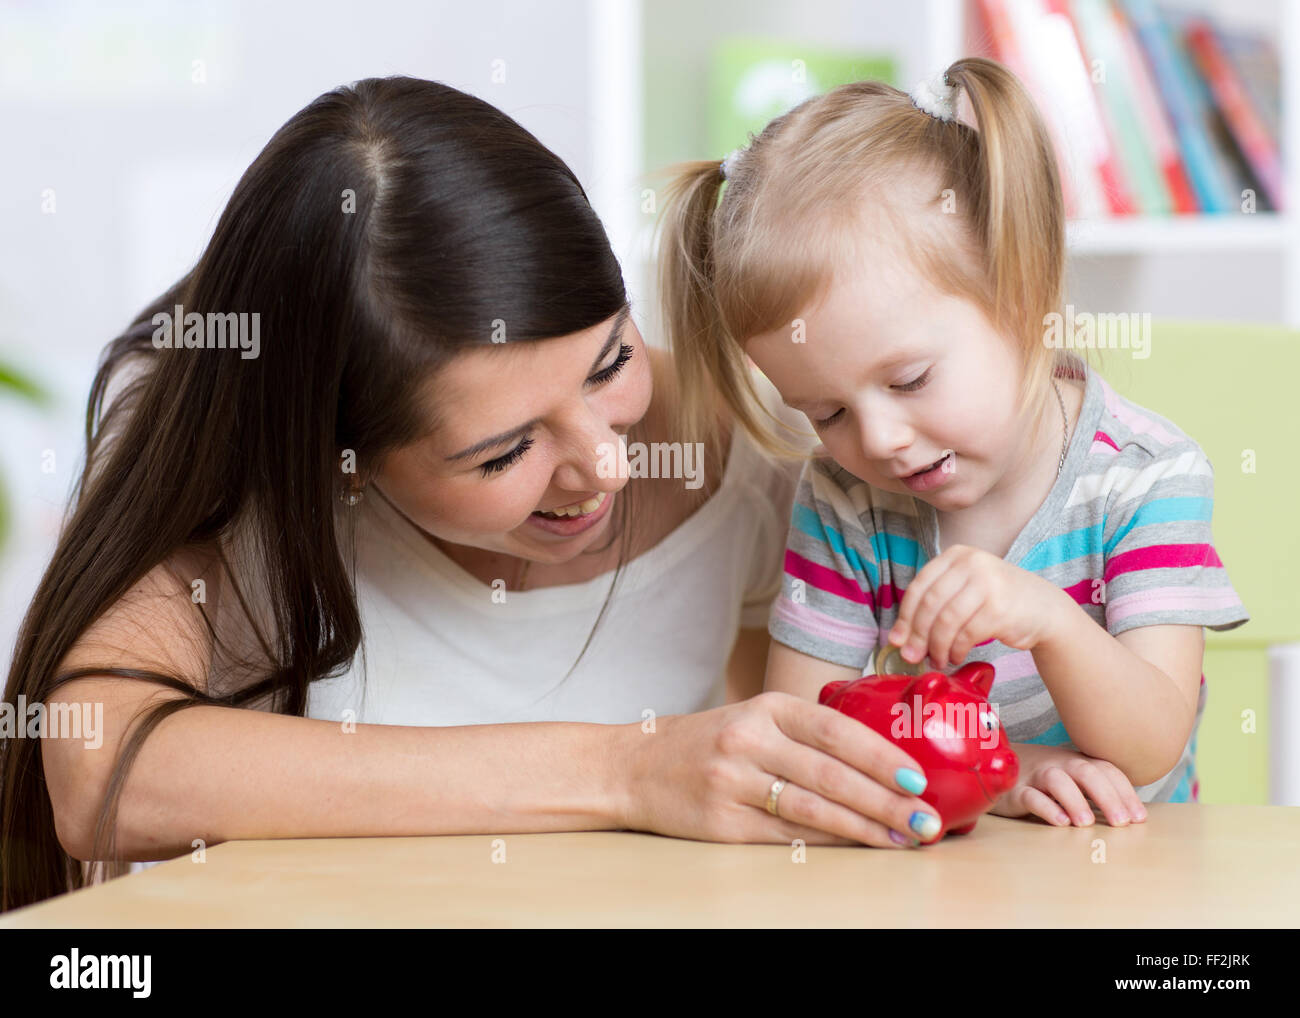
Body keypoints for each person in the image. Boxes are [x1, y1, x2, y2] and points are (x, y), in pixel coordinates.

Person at [1, 76, 942, 914]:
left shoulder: (759, 437)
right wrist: (626, 770)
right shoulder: (226, 462)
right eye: (503, 454)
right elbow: (98, 774)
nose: (605, 469)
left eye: (610, 363)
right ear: (343, 457)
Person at [657, 58, 1250, 831]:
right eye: (826, 412)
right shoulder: (846, 500)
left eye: (908, 381)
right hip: (937, 869)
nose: (878, 440)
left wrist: (1049, 620)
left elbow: (1151, 747)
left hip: (1129, 877)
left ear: (1022, 289)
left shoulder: (1145, 478)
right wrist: (1005, 774)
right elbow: (805, 739)